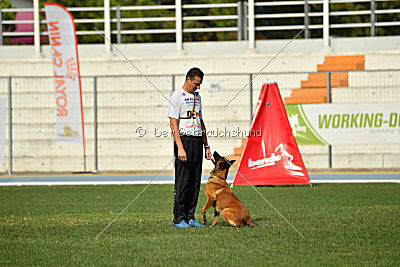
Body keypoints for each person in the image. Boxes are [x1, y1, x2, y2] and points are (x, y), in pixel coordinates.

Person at [167, 67, 212, 228]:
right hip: (184, 141)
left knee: (195, 181)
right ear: (188, 79)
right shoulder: (176, 96)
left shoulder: (198, 97)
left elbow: (201, 122)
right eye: (196, 84)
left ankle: (190, 216)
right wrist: (180, 147)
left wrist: (206, 145)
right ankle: (178, 218)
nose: (198, 87)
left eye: (200, 84)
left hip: (197, 141)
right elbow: (173, 123)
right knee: (183, 181)